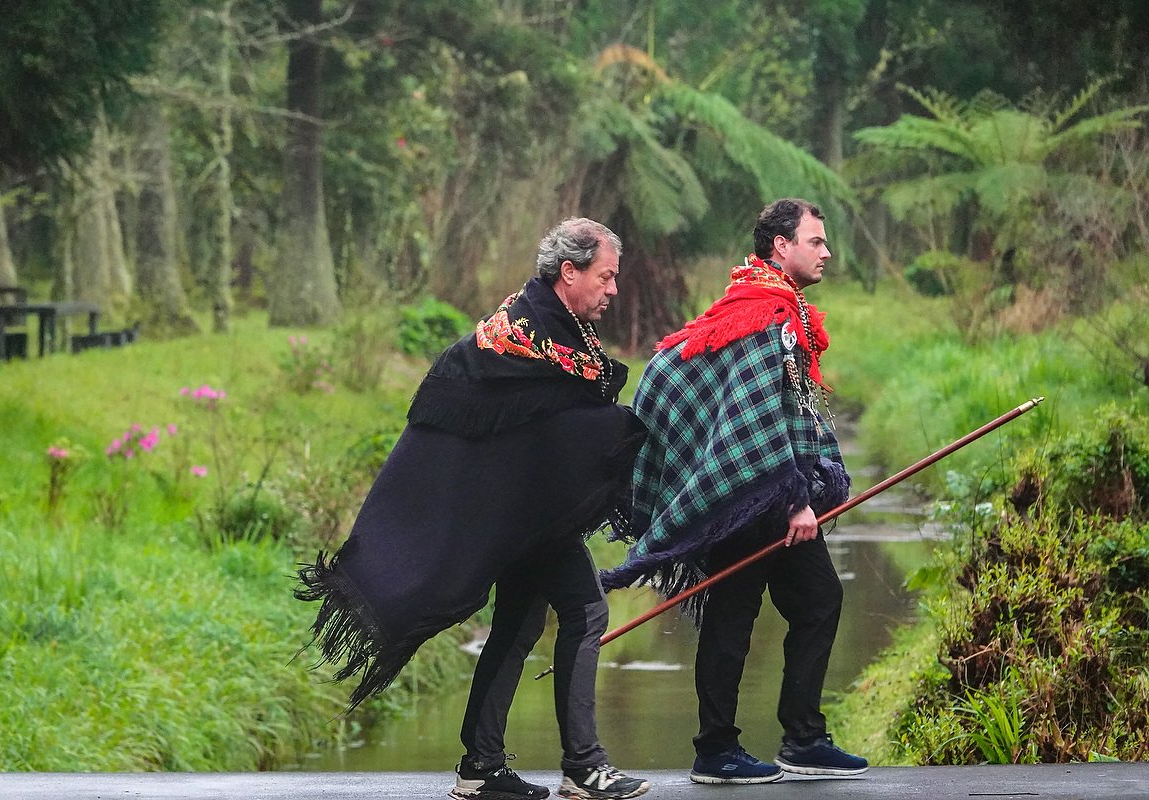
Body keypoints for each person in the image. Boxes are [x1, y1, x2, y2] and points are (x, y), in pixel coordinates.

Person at [296, 218, 651, 800]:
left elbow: (544, 433)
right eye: (606, 277)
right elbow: (517, 433)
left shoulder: (553, 330)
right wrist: (620, 430)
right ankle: (583, 768)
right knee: (585, 613)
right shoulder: (523, 338)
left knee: (518, 625)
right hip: (517, 517)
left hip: (527, 517)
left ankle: (481, 766)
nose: (612, 290)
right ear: (570, 272)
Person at [601, 198, 868, 783]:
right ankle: (721, 750)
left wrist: (807, 480)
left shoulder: (769, 306)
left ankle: (798, 739)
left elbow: (787, 409)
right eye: (815, 241)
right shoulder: (768, 315)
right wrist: (795, 499)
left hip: (758, 491)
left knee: (812, 602)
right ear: (781, 245)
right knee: (739, 616)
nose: (826, 252)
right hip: (753, 498)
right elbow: (756, 415)